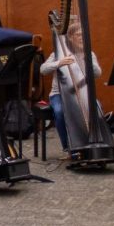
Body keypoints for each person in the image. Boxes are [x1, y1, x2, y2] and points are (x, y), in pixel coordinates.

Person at [39, 20, 102, 156]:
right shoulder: (58, 53)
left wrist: (87, 60)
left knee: (97, 107)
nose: (82, 38)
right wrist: (58, 63)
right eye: (79, 35)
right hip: (59, 94)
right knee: (60, 111)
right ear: (71, 37)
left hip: (82, 93)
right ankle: (67, 147)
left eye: (83, 35)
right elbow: (43, 70)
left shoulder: (88, 53)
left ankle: (95, 142)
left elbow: (97, 74)